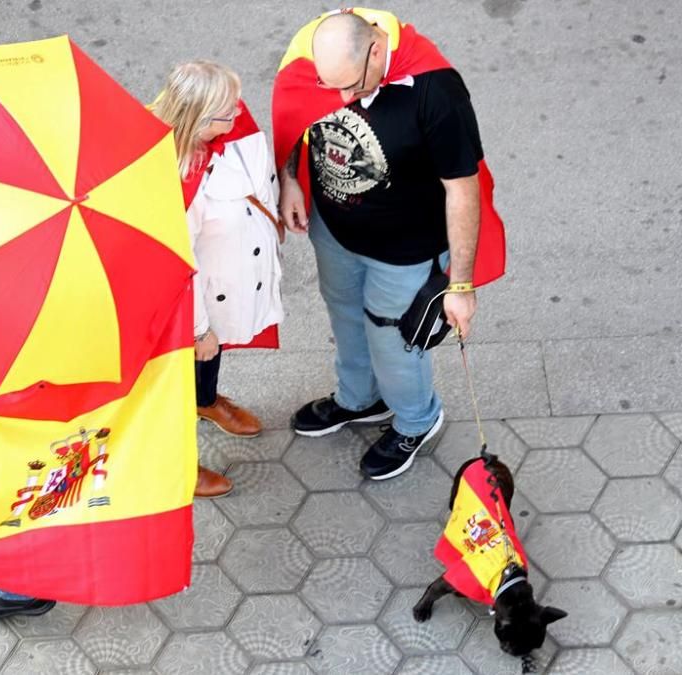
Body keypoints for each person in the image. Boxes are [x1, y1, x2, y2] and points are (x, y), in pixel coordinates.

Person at [272, 9, 505, 481]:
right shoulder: (316, 51)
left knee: (394, 341)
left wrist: (460, 285)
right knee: (343, 314)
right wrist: (289, 177)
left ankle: (416, 420)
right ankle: (359, 399)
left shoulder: (438, 92)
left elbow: (462, 190)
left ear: (377, 50)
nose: (340, 100)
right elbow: (295, 113)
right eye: (330, 87)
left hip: (406, 253)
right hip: (335, 232)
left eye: (352, 87)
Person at [153, 61, 285, 497]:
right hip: (191, 300)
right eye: (226, 111)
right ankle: (177, 467)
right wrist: (199, 328)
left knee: (210, 357)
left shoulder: (228, 123)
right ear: (198, 119)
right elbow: (176, 263)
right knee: (175, 377)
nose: (238, 113)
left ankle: (206, 402)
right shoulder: (174, 179)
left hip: (225, 281)